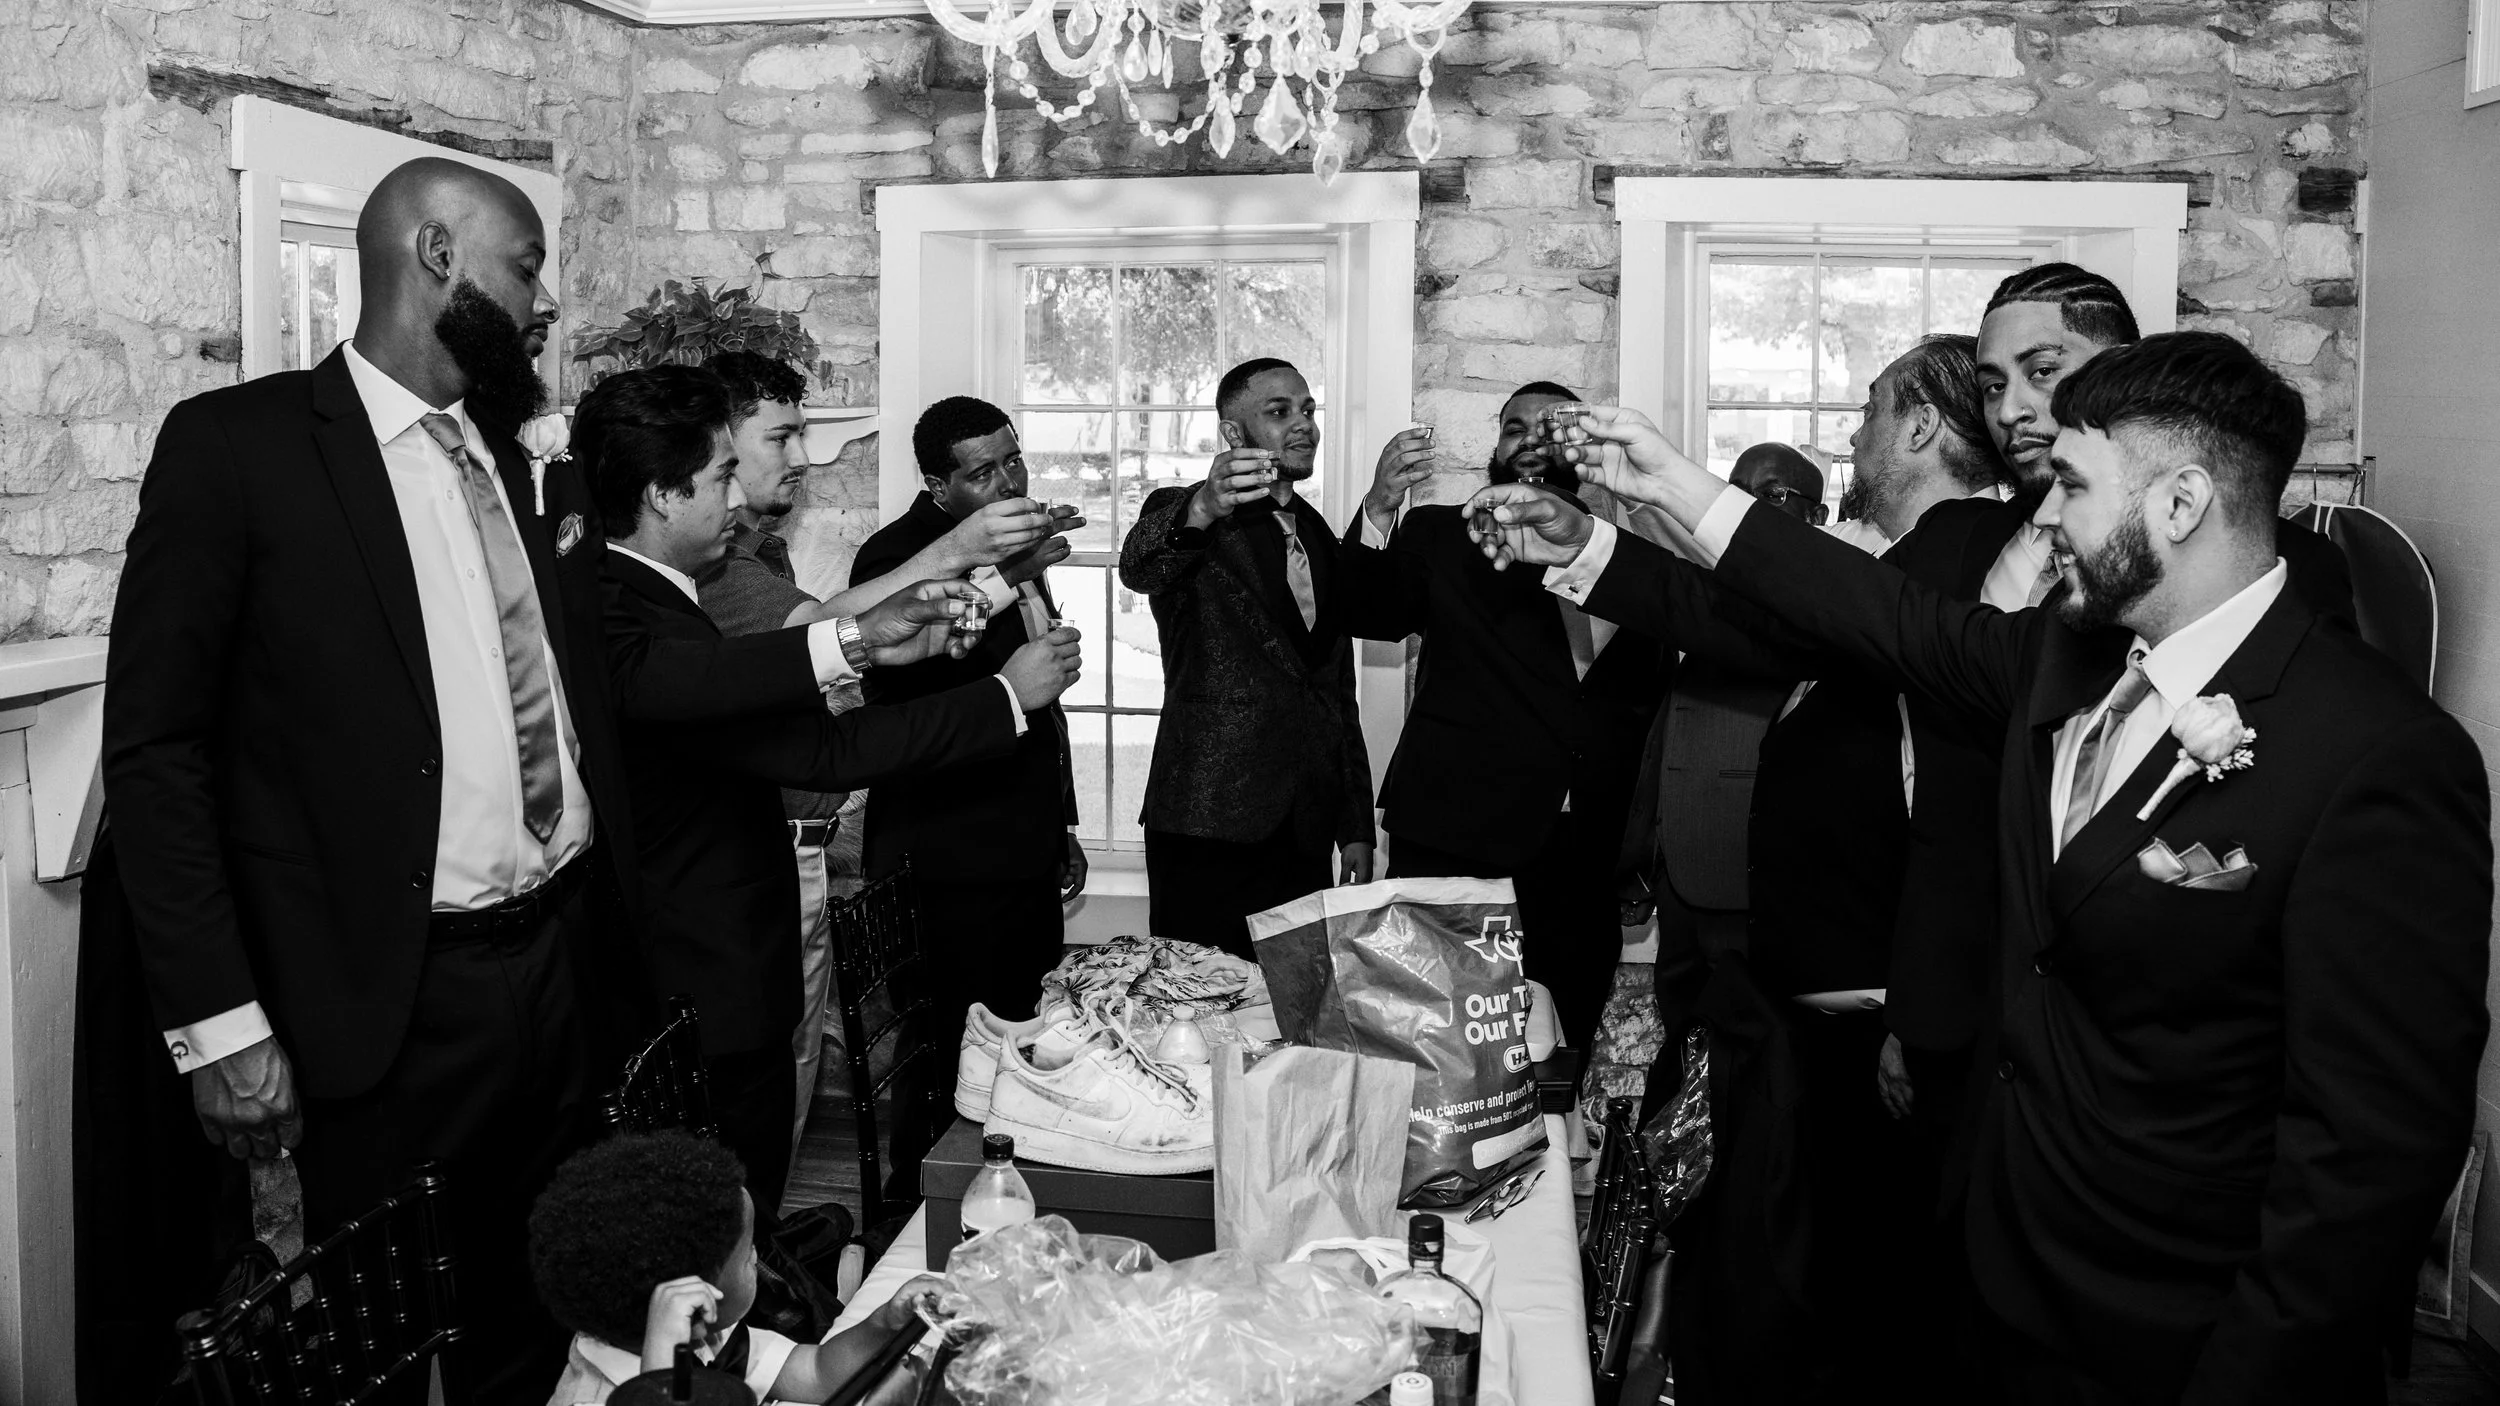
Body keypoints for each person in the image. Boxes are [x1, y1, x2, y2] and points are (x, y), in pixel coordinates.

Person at [1470, 333, 2491, 1405]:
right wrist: (1671, 486)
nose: (2045, 521)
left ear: (2181, 503)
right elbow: (1872, 609)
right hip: (2001, 1273)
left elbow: (2370, 1154)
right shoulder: (2062, 661)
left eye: (2074, 488)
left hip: (2179, 1328)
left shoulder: (2378, 754)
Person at [100, 157, 862, 1402]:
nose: (544, 300)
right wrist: (220, 1026)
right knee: (386, 1348)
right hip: (395, 994)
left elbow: (589, 691)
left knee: (545, 1315)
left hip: (562, 967)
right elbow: (156, 750)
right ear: (438, 256)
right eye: (526, 267)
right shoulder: (240, 449)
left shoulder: (522, 464)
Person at [592, 364, 1082, 1219]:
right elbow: (823, 711)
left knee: (761, 1153)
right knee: (728, 1177)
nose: (753, 487)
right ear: (664, 494)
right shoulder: (642, 609)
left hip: (759, 928)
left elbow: (819, 693)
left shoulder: (694, 585)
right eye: (729, 470)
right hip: (720, 947)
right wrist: (1001, 691)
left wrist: (901, 637)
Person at [1335, 382, 1670, 1055]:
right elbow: (1367, 609)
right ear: (1496, 446)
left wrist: (1639, 856)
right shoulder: (1441, 534)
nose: (1531, 441)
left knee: (1566, 1048)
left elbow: (1647, 716)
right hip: (1457, 844)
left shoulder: (1628, 557)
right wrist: (1379, 507)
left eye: (1552, 428)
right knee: (1445, 1049)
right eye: (1516, 427)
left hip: (1582, 861)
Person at [1119, 358, 1375, 956]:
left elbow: (1335, 691)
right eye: (1280, 412)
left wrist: (1354, 826)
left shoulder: (1317, 533)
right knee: (1193, 997)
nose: (1304, 424)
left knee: (1293, 999)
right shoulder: (1186, 510)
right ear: (1234, 434)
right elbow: (1139, 568)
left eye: (1308, 409)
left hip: (1305, 830)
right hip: (1206, 820)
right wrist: (1204, 508)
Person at [850, 397, 1082, 1030]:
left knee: (1028, 1036)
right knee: (951, 1046)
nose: (1009, 483)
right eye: (982, 473)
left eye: (1013, 462)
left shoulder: (1017, 542)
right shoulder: (892, 557)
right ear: (937, 486)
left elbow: (1041, 708)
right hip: (947, 860)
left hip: (1025, 848)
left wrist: (1059, 826)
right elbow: (908, 709)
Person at [530, 1131, 942, 1405]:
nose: (760, 1260)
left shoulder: (705, 1337)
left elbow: (817, 1373)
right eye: (748, 1255)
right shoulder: (594, 1398)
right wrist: (665, 1378)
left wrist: (884, 1323)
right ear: (700, 1294)